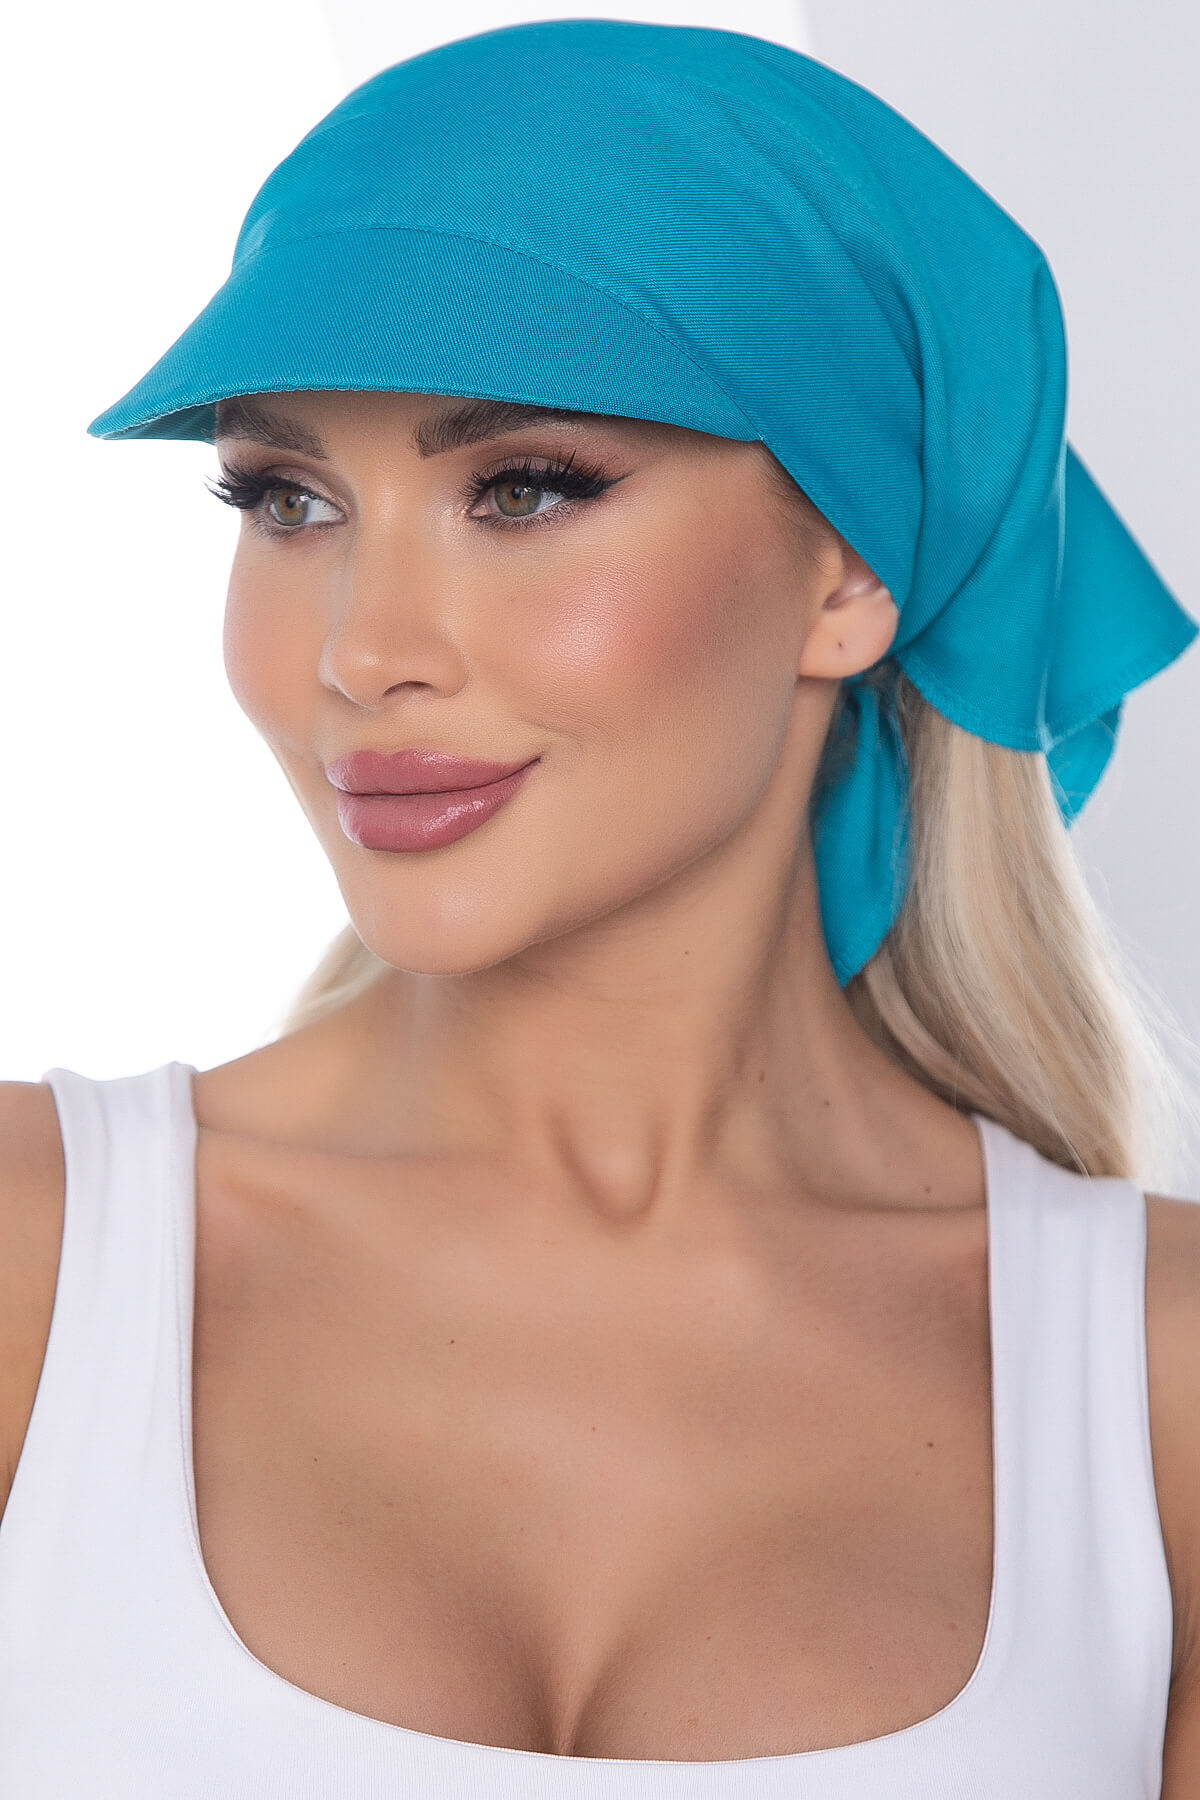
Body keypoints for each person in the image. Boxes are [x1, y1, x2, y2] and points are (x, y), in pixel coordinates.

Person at [1, 17, 1198, 1794]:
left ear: (850, 571)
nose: (361, 654)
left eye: (522, 488)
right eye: (288, 499)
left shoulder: (1161, 1395)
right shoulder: (37, 1264)